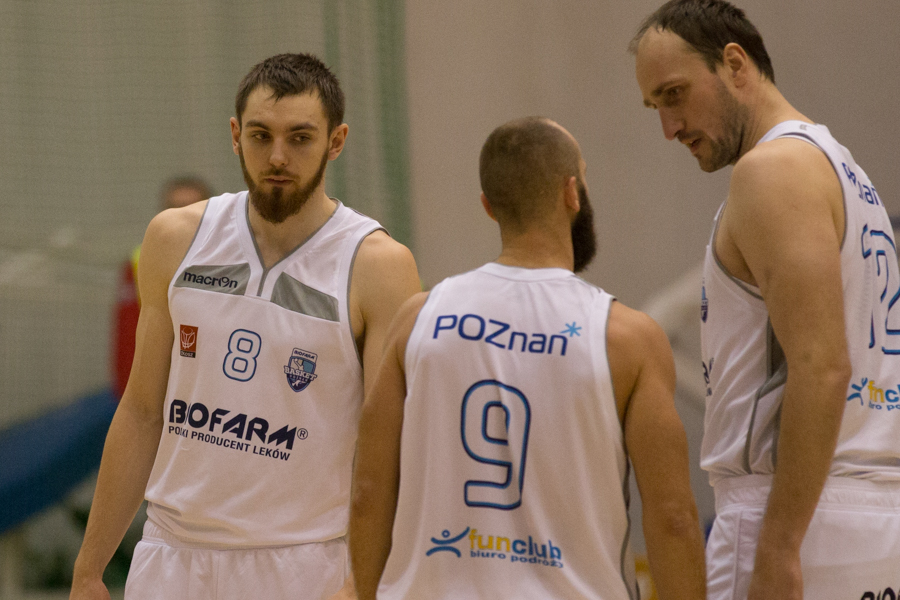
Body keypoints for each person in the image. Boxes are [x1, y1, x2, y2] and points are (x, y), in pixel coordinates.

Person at [71, 53, 420, 600]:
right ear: (236, 135)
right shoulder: (175, 238)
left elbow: (389, 445)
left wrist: (364, 582)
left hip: (304, 564)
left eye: (300, 138)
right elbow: (141, 410)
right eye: (261, 135)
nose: (277, 156)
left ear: (337, 140)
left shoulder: (378, 265)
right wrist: (90, 566)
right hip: (170, 558)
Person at [348, 117, 706, 600]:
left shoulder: (418, 319)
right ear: (572, 192)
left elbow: (369, 493)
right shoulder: (627, 337)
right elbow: (674, 519)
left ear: (488, 206)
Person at [631, 2, 900, 598]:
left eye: (675, 95)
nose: (668, 128)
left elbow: (822, 366)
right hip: (869, 516)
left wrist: (777, 547)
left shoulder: (772, 170)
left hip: (796, 519)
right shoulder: (846, 171)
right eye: (655, 107)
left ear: (734, 64)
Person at [112, 176, 212, 399]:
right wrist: (129, 396)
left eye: (192, 208)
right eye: (175, 209)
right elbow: (129, 336)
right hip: (155, 394)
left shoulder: (231, 264)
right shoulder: (139, 262)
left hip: (207, 395)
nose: (183, 216)